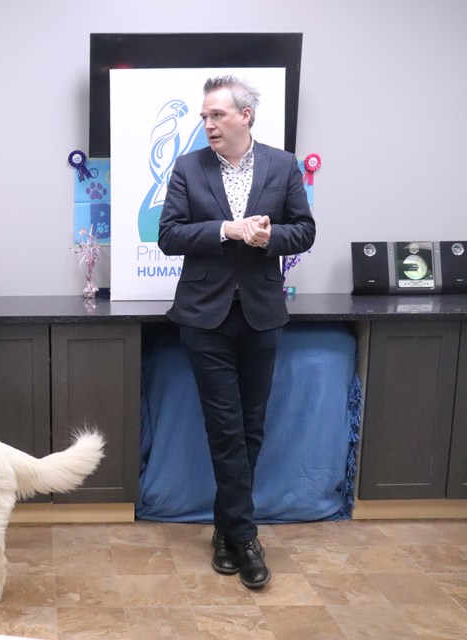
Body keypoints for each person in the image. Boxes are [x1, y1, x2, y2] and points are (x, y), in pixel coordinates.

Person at [157, 76, 316, 589]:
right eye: (204, 117)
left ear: (245, 115)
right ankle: (246, 539)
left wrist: (270, 236)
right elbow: (169, 235)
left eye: (217, 115)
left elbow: (305, 230)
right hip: (205, 319)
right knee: (226, 430)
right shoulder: (187, 168)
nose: (208, 125)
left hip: (262, 315)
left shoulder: (283, 164)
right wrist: (227, 229)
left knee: (250, 429)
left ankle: (224, 530)